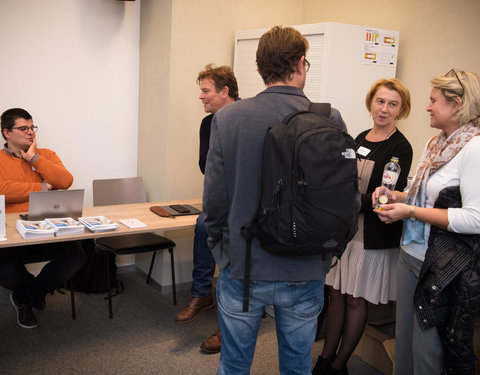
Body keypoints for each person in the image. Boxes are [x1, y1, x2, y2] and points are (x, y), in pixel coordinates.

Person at [203, 26, 348, 375]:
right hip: (305, 266)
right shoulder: (329, 118)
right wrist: (327, 255)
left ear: (258, 69)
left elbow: (214, 202)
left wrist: (223, 251)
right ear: (301, 65)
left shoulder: (227, 119)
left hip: (244, 264)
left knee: (234, 365)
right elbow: (343, 198)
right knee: (297, 367)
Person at [373, 69, 480, 374]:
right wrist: (398, 198)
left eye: (434, 100)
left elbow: (475, 218)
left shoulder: (474, 149)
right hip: (411, 253)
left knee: (426, 353)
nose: (428, 107)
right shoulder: (436, 144)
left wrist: (411, 212)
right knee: (404, 344)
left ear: (457, 104)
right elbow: (424, 196)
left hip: (440, 265)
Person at [312, 78, 413, 375]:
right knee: (336, 295)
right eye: (380, 101)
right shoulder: (359, 138)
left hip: (372, 235)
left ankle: (339, 364)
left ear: (401, 110)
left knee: (356, 299)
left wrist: (351, 201)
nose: (384, 109)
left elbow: (385, 199)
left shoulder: (400, 147)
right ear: (370, 102)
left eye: (392, 104)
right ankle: (326, 358)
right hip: (346, 231)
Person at [0, 108, 85, 329]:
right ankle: (31, 294)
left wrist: (34, 158)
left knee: (75, 257)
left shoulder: (46, 155)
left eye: (32, 127)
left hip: (46, 226)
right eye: (23, 128)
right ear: (7, 132)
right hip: (11, 231)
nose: (30, 132)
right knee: (6, 271)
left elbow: (65, 181)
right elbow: (2, 189)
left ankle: (24, 298)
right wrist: (42, 186)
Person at [175, 64, 239, 354]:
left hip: (245, 203)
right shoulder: (208, 124)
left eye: (206, 91)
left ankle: (231, 322)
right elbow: (206, 166)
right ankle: (202, 295)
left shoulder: (246, 119)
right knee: (202, 226)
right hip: (219, 199)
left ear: (225, 92)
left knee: (234, 251)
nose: (201, 97)